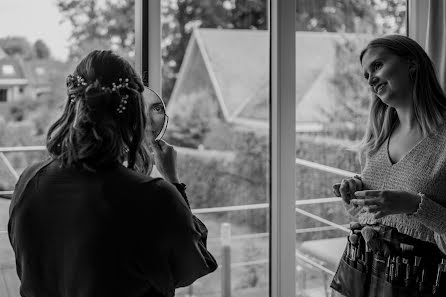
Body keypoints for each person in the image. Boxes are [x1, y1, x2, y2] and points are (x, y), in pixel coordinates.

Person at [7, 50, 218, 297]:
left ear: (73, 105)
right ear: (134, 115)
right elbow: (190, 266)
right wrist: (172, 182)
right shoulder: (154, 197)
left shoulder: (30, 180)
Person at [331, 35, 446, 297]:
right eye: (366, 74)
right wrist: (357, 190)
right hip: (358, 272)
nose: (371, 79)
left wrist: (413, 205)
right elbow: (368, 215)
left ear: (412, 64)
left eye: (378, 65)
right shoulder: (377, 138)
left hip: (417, 283)